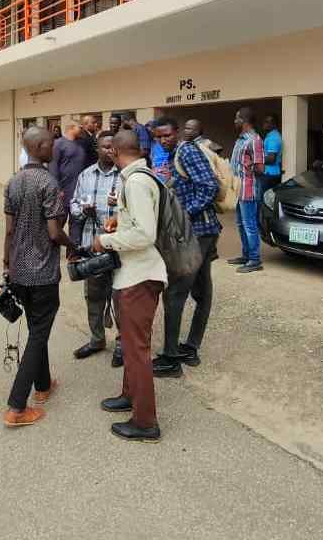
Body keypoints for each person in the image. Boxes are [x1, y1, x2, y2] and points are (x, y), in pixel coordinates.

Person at [93, 129, 166, 442]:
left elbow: (145, 234)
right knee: (131, 342)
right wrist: (118, 223)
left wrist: (105, 240)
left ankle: (145, 422)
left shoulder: (136, 182)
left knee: (136, 349)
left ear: (114, 152)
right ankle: (129, 395)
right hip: (133, 275)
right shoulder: (140, 177)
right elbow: (137, 224)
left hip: (140, 276)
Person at [2, 127, 77, 427]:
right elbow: (55, 232)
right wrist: (76, 247)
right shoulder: (48, 182)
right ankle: (16, 407)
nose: (54, 148)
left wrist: (6, 264)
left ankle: (43, 386)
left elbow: (9, 230)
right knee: (38, 335)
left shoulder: (13, 182)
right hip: (43, 273)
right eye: (51, 144)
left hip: (19, 272)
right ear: (41, 146)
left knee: (36, 328)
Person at [151, 117, 221, 378]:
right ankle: (190, 348)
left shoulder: (186, 151)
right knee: (202, 291)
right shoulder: (174, 155)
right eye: (158, 137)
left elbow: (209, 186)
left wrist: (184, 216)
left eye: (166, 135)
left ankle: (171, 359)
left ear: (176, 132)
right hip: (204, 232)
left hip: (198, 233)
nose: (162, 140)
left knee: (175, 292)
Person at [69, 132, 122, 363]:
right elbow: (73, 204)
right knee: (93, 296)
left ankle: (123, 343)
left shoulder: (126, 176)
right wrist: (83, 211)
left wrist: (119, 206)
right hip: (93, 246)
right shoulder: (85, 175)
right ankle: (97, 339)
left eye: (113, 147)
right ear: (97, 149)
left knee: (121, 297)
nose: (109, 150)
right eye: (105, 147)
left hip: (120, 247)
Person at [228, 107, 265, 273]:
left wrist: (248, 169)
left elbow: (260, 168)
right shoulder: (240, 140)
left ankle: (255, 260)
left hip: (248, 189)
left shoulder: (254, 140)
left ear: (244, 121)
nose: (235, 121)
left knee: (250, 225)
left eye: (237, 118)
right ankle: (246, 255)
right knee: (241, 224)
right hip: (238, 189)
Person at [50, 122, 88, 244]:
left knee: (76, 223)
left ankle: (73, 254)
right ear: (71, 128)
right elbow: (53, 166)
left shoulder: (79, 144)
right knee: (58, 224)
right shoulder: (58, 144)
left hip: (78, 192)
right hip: (63, 192)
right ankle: (50, 248)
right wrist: (58, 188)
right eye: (80, 127)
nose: (82, 129)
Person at [261, 115, 283, 198]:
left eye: (267, 122)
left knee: (266, 201)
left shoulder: (273, 138)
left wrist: (256, 159)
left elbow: (271, 159)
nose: (264, 124)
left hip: (270, 174)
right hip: (270, 173)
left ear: (273, 124)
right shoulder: (271, 136)